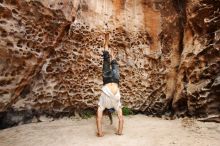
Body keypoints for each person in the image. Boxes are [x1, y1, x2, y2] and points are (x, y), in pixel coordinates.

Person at [96, 50, 124, 137]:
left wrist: (119, 131)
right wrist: (100, 133)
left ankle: (110, 52)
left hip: (115, 80)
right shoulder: (103, 105)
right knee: (106, 58)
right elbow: (98, 119)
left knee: (114, 63)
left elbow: (121, 119)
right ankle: (107, 48)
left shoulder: (116, 105)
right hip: (108, 80)